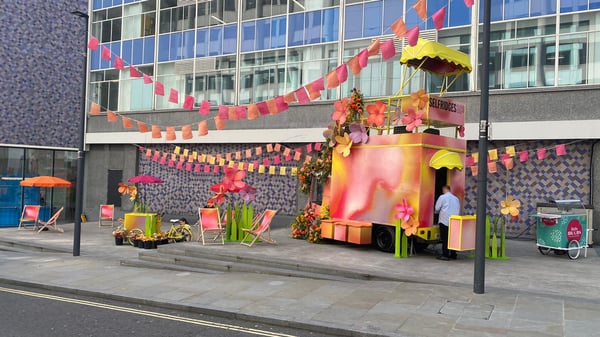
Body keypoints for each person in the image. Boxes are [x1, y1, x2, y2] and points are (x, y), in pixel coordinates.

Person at [434, 185, 460, 260]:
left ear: (444, 190)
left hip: (444, 220)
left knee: (445, 238)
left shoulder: (442, 197)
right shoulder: (456, 198)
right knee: (453, 238)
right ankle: (453, 254)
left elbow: (437, 208)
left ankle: (445, 255)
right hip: (455, 220)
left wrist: (436, 213)